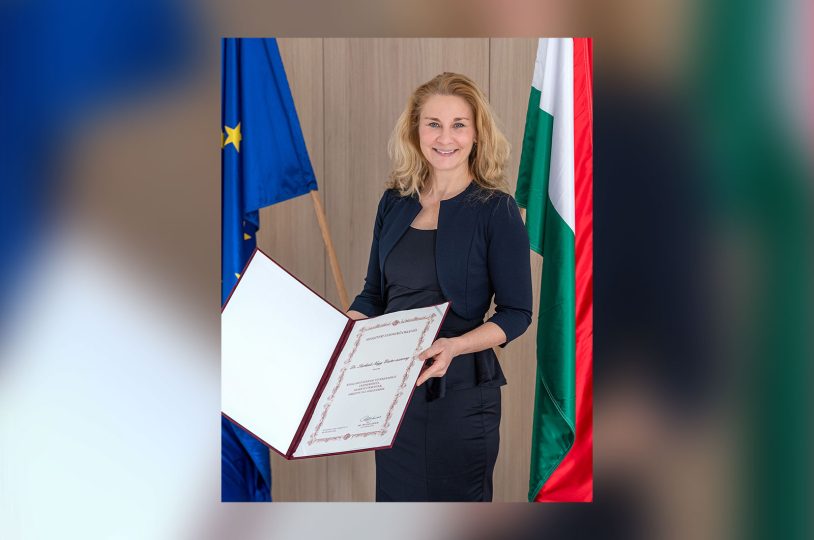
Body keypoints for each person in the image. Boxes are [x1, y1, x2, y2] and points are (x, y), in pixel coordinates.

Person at [346, 72, 533, 502]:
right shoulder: (394, 202)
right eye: (433, 124)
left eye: (458, 125)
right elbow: (373, 295)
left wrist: (454, 346)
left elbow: (517, 314)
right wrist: (343, 331)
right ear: (416, 130)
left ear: (476, 133)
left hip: (461, 399)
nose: (445, 137)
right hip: (393, 397)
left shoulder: (496, 210)